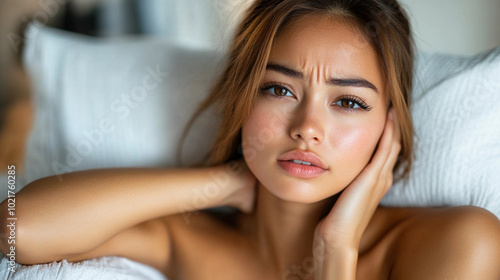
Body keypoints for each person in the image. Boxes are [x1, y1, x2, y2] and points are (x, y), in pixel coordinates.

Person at [2, 0, 500, 279]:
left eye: (348, 101)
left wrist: (337, 254)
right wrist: (225, 182)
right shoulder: (190, 242)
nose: (307, 126)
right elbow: (13, 230)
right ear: (243, 100)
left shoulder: (459, 243)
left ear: (388, 128)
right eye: (279, 89)